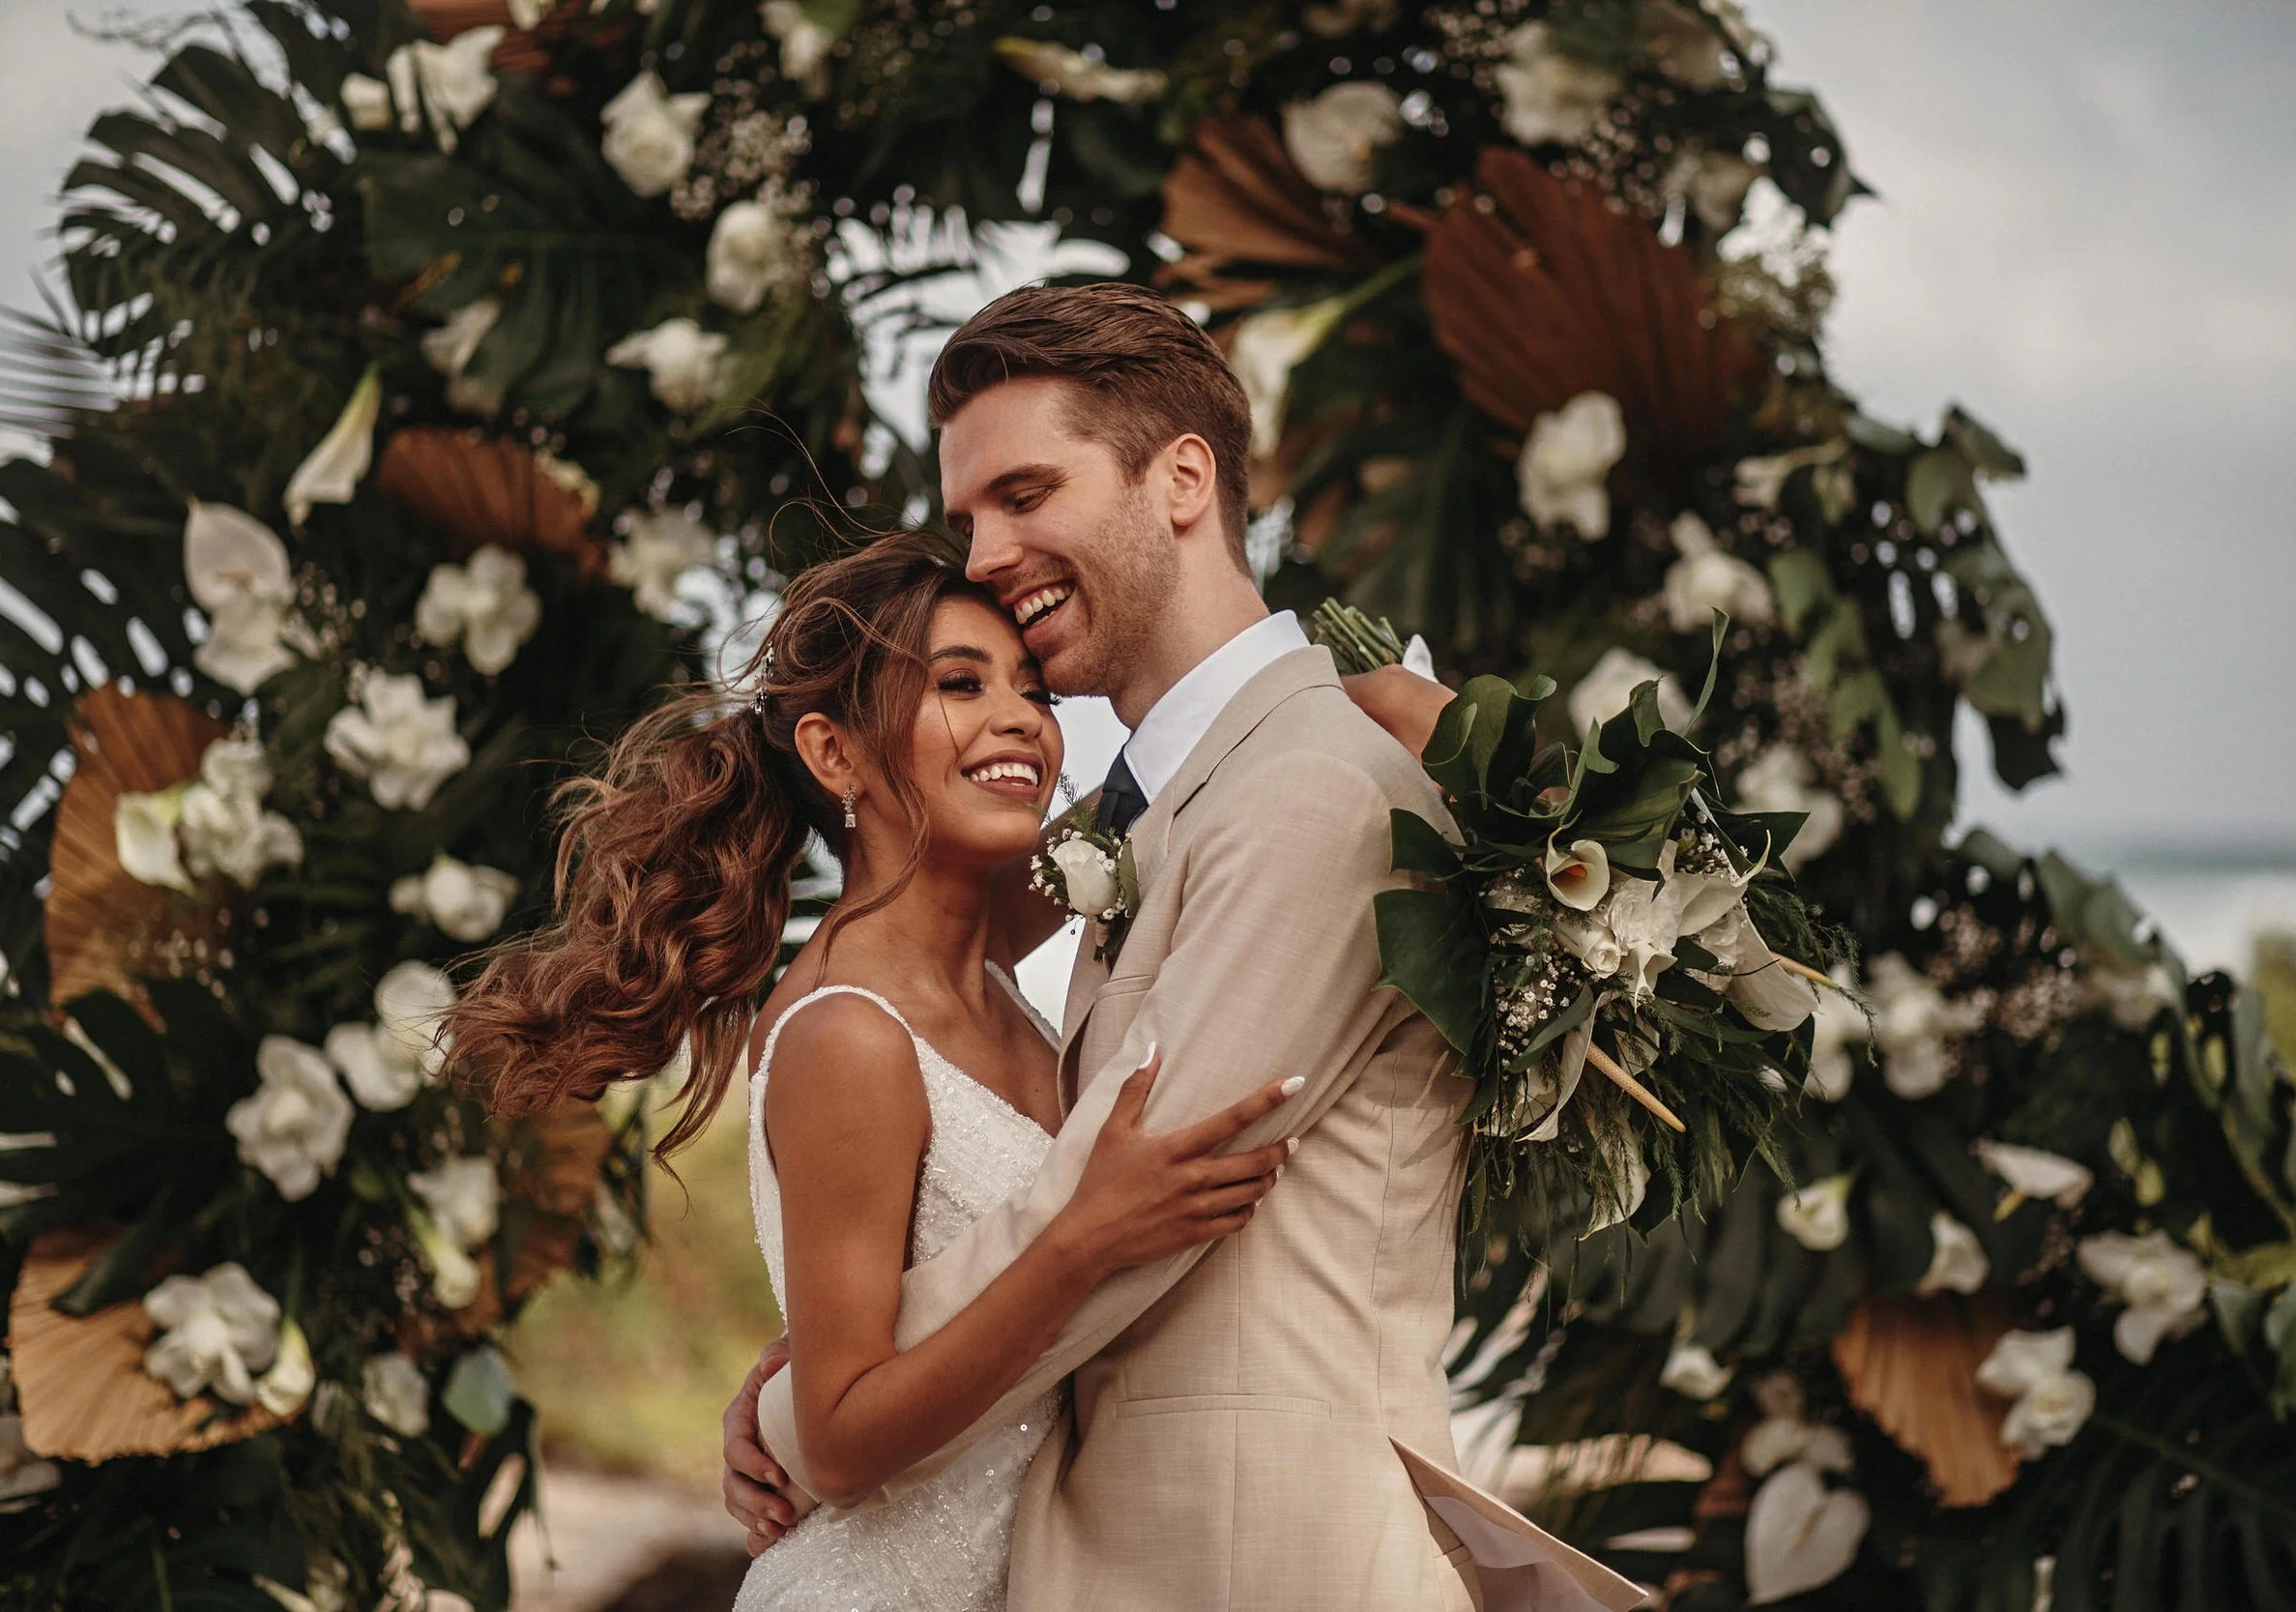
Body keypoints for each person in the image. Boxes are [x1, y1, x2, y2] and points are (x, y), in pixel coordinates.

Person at [723, 285, 1635, 1612]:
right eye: (971, 515)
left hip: (1269, 1553)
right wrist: (833, 1347)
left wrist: (823, 1409)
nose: (985, 554)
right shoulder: (1160, 811)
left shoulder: (1313, 785)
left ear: (1184, 479)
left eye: (1027, 492)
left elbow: (1139, 1196)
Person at [450, 532, 1301, 1611]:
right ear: (836, 753)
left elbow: (1192, 766)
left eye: (1031, 690)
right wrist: (1086, 1236)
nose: (1019, 721)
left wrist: (1358, 695)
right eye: (958, 683)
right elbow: (845, 1442)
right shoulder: (846, 1033)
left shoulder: (991, 957)